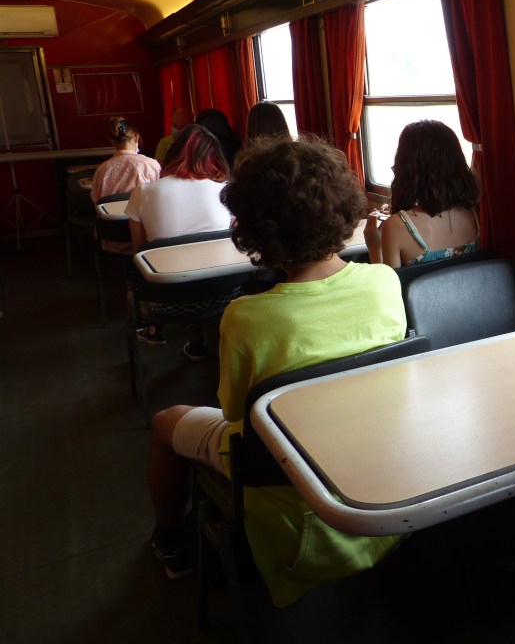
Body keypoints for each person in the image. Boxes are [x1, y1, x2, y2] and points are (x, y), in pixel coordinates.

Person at [146, 135, 407, 605]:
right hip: (368, 462)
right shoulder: (385, 281)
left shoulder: (246, 317)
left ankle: (169, 543)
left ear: (255, 228)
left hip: (288, 479)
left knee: (166, 422)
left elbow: (235, 415)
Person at [124, 124, 234, 357]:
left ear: (173, 153)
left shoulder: (143, 193)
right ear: (214, 156)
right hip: (226, 294)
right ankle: (197, 340)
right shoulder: (226, 192)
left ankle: (166, 332)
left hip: (165, 301)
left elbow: (139, 255)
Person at [363, 119, 479, 267]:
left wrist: (374, 246)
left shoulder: (395, 226)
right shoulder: (473, 214)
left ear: (406, 168)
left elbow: (388, 282)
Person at [90, 116, 161, 253]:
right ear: (137, 137)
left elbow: (96, 202)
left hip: (110, 238)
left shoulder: (102, 169)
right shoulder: (150, 165)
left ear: (112, 141)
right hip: (146, 240)